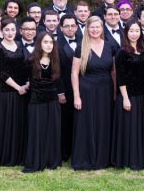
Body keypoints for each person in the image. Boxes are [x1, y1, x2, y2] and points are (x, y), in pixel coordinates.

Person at [71, 16, 115, 170]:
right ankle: (86, 158)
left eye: (98, 27)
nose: (95, 30)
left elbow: (114, 71)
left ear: (102, 28)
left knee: (104, 122)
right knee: (87, 123)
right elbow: (74, 73)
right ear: (87, 29)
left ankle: (103, 158)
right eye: (92, 27)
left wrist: (115, 93)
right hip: (87, 91)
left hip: (106, 90)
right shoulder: (81, 47)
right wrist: (76, 96)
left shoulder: (109, 46)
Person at [111, 22, 144, 170]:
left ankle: (138, 157)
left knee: (139, 127)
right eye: (131, 31)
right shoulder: (122, 52)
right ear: (126, 33)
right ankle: (126, 159)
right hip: (127, 96)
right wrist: (125, 98)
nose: (134, 33)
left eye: (137, 30)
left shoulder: (143, 50)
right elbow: (120, 77)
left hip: (141, 95)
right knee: (128, 127)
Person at [0, 17, 30, 166]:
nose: (9, 32)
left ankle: (20, 156)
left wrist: (27, 83)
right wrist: (18, 87)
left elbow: (26, 65)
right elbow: (3, 74)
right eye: (6, 30)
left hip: (22, 91)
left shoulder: (20, 45)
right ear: (1, 31)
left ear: (17, 31)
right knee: (7, 125)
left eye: (12, 30)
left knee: (19, 124)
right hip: (8, 92)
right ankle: (7, 157)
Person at [23, 32, 62, 172]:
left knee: (52, 131)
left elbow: (58, 81)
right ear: (39, 43)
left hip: (52, 100)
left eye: (51, 42)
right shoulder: (30, 60)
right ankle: (37, 160)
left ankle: (51, 160)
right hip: (36, 101)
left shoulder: (56, 59)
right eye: (45, 42)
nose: (49, 45)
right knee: (37, 131)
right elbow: (25, 78)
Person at [57, 14, 80, 161]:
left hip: (80, 89)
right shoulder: (56, 44)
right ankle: (65, 152)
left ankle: (77, 150)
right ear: (61, 28)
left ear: (77, 27)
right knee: (64, 122)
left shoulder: (84, 42)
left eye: (73, 26)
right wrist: (60, 92)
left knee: (79, 121)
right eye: (67, 26)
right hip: (64, 89)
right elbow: (55, 71)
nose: (70, 29)